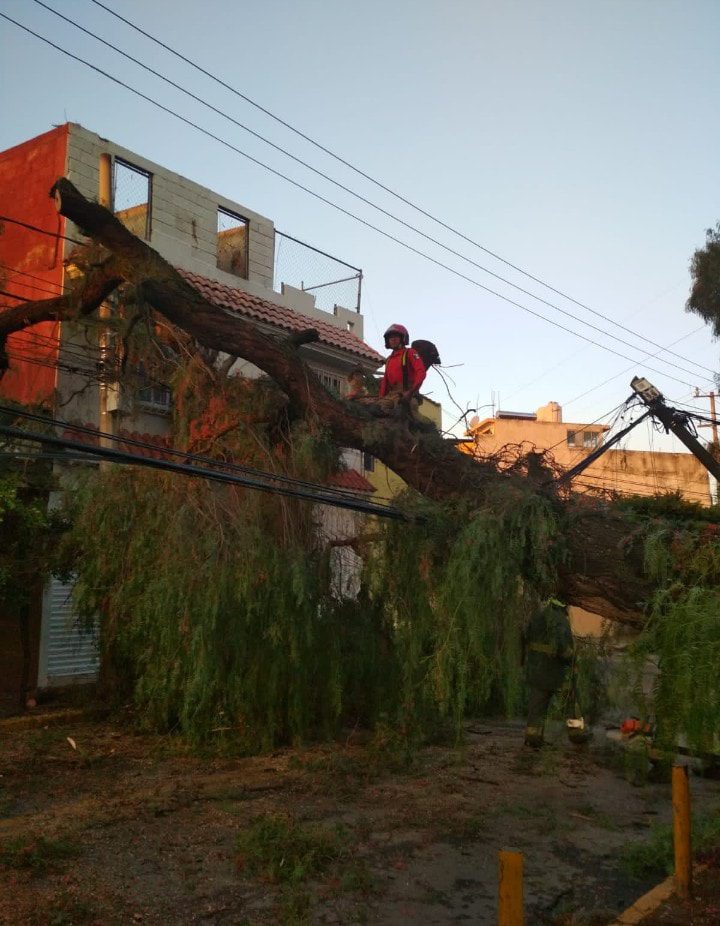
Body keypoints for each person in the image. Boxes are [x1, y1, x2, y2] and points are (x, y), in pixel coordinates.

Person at [523, 596, 578, 749]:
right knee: (569, 704)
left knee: (537, 707)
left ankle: (533, 738)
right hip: (555, 672)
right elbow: (562, 647)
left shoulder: (537, 615)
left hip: (536, 671)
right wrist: (572, 658)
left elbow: (525, 637)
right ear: (564, 605)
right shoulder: (559, 619)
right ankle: (576, 735)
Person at [378, 324, 426, 400]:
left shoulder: (410, 352)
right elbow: (385, 381)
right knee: (375, 408)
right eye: (390, 337)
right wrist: (380, 397)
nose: (393, 339)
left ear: (403, 338)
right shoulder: (389, 359)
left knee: (405, 408)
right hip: (392, 395)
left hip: (407, 393)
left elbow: (421, 372)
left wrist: (412, 391)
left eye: (396, 336)